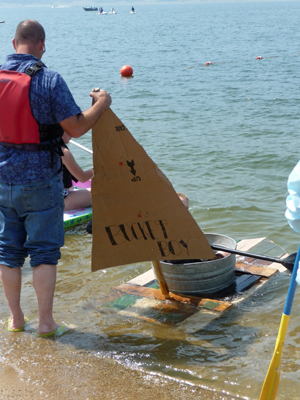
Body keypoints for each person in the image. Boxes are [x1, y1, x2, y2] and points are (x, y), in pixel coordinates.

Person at [0, 20, 111, 336]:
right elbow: (75, 127)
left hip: (4, 179)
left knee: (8, 251)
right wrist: (102, 103)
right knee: (44, 253)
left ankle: (16, 319)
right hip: (41, 180)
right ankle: (46, 323)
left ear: (13, 43)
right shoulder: (48, 80)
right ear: (42, 45)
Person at [61, 132, 93, 211]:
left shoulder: (38, 148)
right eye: (67, 131)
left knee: (70, 186)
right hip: (57, 201)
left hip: (36, 197)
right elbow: (83, 178)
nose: (71, 134)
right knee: (104, 191)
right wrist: (103, 166)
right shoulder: (63, 152)